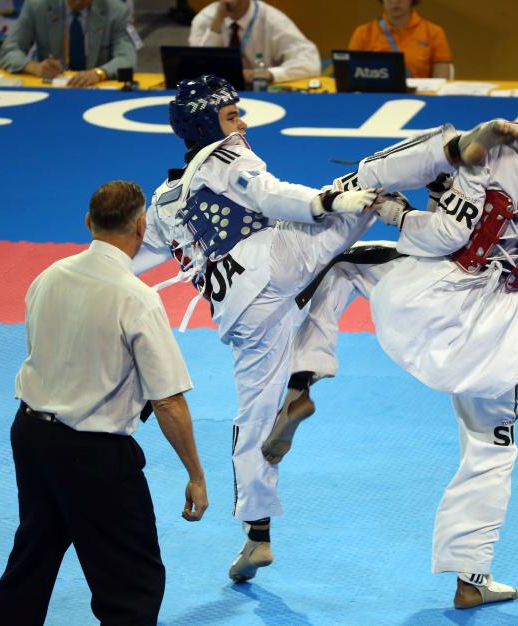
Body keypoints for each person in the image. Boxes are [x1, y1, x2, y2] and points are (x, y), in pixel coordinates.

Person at [267, 41, 518, 609]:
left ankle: (302, 383)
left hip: (433, 296)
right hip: (496, 323)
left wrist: (395, 209)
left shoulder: (501, 145)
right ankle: (473, 577)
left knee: (345, 266)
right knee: (493, 444)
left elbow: (445, 237)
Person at [131, 74, 378, 583]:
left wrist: (75, 279)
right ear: (207, 124)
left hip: (242, 313)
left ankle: (257, 537)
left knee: (254, 418)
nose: (240, 124)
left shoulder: (163, 201)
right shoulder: (227, 154)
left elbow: (126, 260)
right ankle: (455, 164)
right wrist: (332, 202)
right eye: (231, 115)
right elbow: (268, 193)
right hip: (280, 259)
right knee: (372, 185)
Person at [0, 180, 208, 625]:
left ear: (88, 222)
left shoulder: (48, 276)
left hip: (31, 435)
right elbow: (167, 401)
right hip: (94, 453)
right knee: (133, 581)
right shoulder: (136, 298)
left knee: (34, 555)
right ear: (142, 227)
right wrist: (196, 474)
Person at [0, 0, 137, 87]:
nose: (78, 1)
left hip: (97, 89)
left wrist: (99, 73)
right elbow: (9, 50)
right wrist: (33, 67)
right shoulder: (36, 5)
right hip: (53, 89)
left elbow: (127, 58)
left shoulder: (118, 11)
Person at [188, 0, 320, 84]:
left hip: (261, 91)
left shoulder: (273, 21)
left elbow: (310, 62)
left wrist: (265, 74)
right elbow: (198, 68)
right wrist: (216, 25)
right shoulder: (205, 19)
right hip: (216, 93)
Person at [348, 0, 453, 79]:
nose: (395, 1)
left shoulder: (434, 32)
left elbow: (441, 82)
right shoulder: (363, 33)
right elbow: (352, 76)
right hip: (375, 97)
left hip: (420, 98)